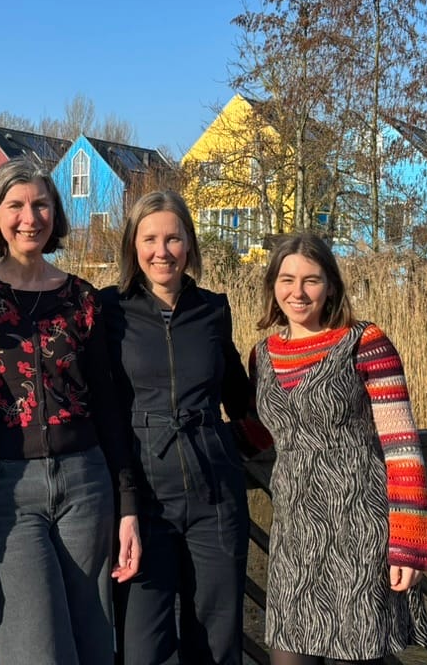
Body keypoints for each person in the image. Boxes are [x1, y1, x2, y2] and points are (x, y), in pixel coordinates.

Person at [0, 158, 141, 665]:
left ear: (56, 214)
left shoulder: (83, 299)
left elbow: (109, 406)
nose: (30, 217)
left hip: (86, 485)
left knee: (94, 645)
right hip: (4, 490)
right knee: (35, 651)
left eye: (42, 204)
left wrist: (128, 503)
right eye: (16, 205)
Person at [250, 232, 427, 665]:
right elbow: (262, 432)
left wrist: (408, 543)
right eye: (286, 279)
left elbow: (402, 444)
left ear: (331, 285)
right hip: (294, 536)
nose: (297, 293)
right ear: (272, 285)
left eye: (311, 280)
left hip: (357, 529)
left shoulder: (365, 342)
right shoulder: (262, 356)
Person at [100, 190, 262, 665]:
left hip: (215, 495)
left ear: (189, 245)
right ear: (133, 246)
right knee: (142, 649)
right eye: (149, 239)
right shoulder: (108, 310)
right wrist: (120, 494)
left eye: (173, 238)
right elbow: (100, 406)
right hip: (143, 498)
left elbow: (241, 395)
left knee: (215, 642)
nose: (162, 250)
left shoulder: (213, 309)